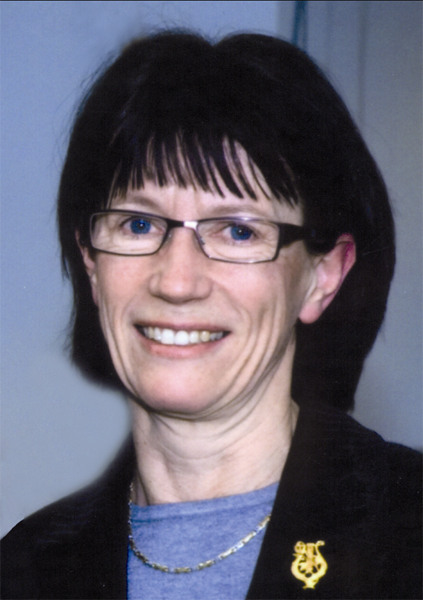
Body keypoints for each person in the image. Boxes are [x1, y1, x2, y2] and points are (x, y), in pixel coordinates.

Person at [1, 31, 421, 600]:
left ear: (323, 276)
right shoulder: (24, 570)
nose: (177, 282)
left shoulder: (408, 533)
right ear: (91, 261)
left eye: (238, 231)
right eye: (138, 224)